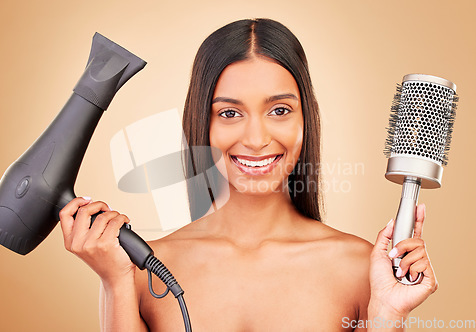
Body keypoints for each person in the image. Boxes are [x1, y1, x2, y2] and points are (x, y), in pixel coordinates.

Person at [59, 18, 438, 331]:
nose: (256, 140)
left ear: (306, 119)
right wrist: (114, 282)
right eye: (229, 113)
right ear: (201, 123)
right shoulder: (145, 272)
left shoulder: (361, 270)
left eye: (279, 110)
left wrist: (390, 316)